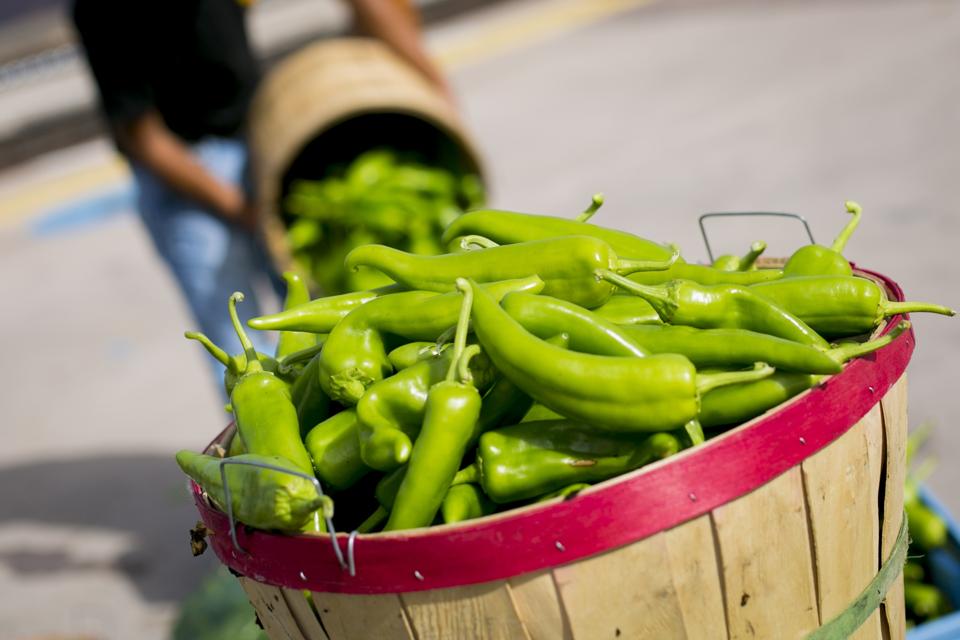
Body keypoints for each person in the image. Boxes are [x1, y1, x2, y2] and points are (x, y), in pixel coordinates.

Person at [71, 0, 451, 385]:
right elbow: (143, 137)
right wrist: (241, 208)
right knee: (240, 351)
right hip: (181, 176)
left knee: (320, 316)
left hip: (256, 138)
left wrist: (420, 71)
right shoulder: (104, 10)